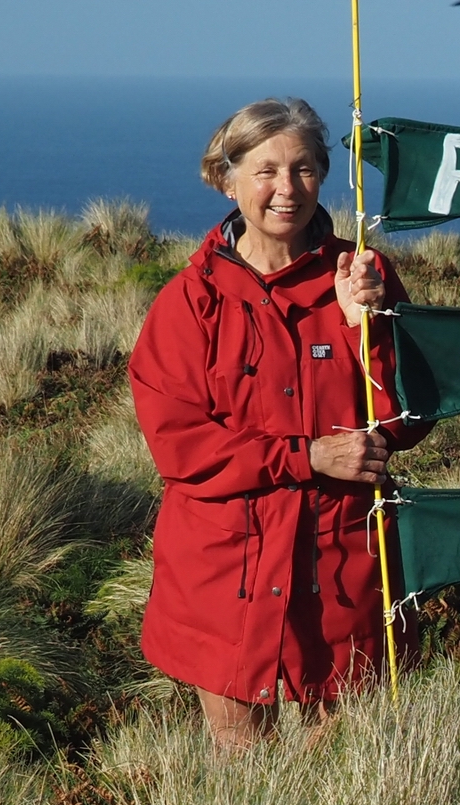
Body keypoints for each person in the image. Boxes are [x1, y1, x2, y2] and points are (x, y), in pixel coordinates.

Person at [130, 98, 430, 748]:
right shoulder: (190, 302)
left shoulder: (365, 277)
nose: (286, 190)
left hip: (343, 567)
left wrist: (368, 328)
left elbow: (405, 417)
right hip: (223, 578)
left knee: (346, 774)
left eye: (303, 169)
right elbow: (182, 449)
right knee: (244, 782)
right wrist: (309, 456)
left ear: (323, 174)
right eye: (266, 170)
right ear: (226, 177)